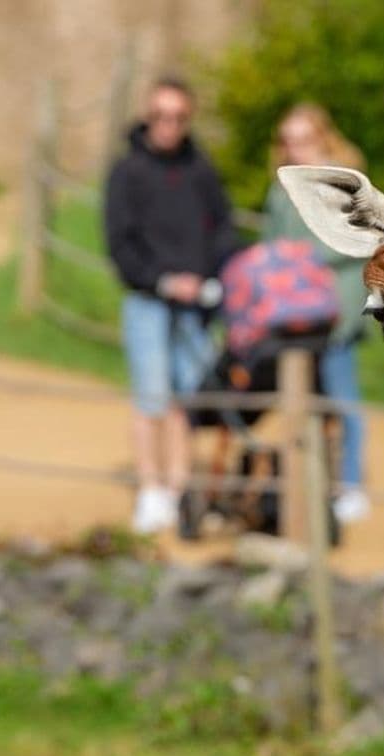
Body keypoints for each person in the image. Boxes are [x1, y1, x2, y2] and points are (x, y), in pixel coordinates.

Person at [104, 75, 240, 534]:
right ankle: (151, 490)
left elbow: (223, 228)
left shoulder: (201, 170)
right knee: (151, 400)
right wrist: (162, 281)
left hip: (196, 306)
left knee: (184, 402)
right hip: (148, 302)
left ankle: (181, 491)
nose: (169, 124)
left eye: (179, 116)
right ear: (147, 116)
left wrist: (214, 278)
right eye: (161, 115)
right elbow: (119, 244)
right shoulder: (126, 172)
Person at [264, 103, 370, 524]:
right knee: (301, 402)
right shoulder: (280, 189)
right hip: (292, 314)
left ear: (323, 137)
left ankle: (351, 484)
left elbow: (353, 242)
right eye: (289, 141)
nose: (296, 148)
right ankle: (306, 485)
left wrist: (299, 258)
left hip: (334, 313)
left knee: (343, 403)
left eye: (304, 139)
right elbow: (271, 242)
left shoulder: (341, 185)